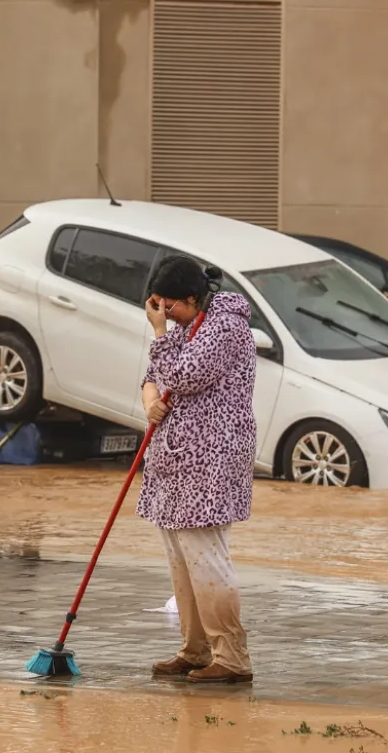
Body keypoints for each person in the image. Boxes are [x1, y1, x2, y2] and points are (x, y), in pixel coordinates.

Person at [138, 255, 257, 684]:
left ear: (192, 297)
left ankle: (232, 657)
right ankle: (195, 649)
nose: (165, 314)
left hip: (211, 460)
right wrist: (150, 401)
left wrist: (159, 332)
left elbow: (184, 375)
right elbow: (153, 375)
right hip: (174, 461)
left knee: (206, 558)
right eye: (158, 307)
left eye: (169, 305)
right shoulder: (189, 328)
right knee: (181, 560)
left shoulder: (225, 327)